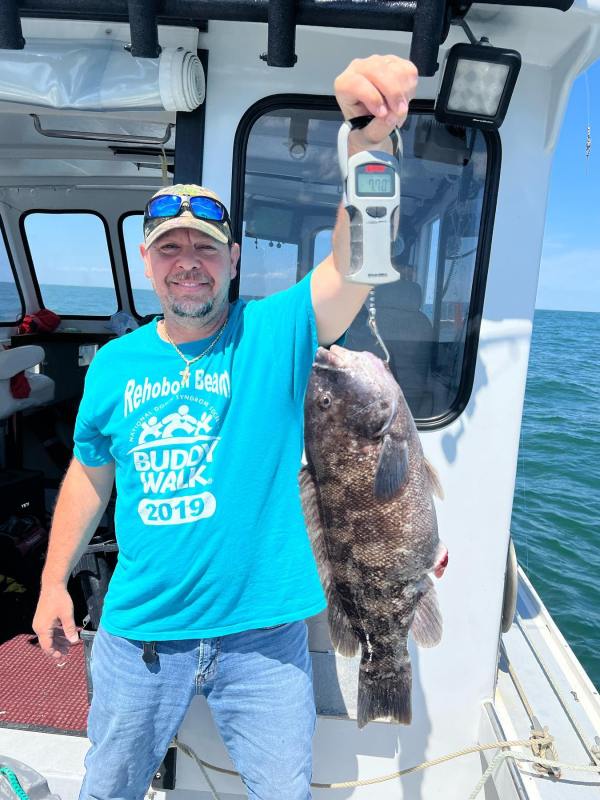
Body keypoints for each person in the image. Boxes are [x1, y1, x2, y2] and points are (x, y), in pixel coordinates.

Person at [32, 55, 418, 800]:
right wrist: (52, 582)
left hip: (263, 641)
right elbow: (89, 471)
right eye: (170, 249)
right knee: (106, 788)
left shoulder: (275, 332)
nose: (189, 264)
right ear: (148, 263)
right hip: (138, 636)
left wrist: (368, 143)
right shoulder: (112, 366)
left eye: (205, 248)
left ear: (233, 260)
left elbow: (361, 263)